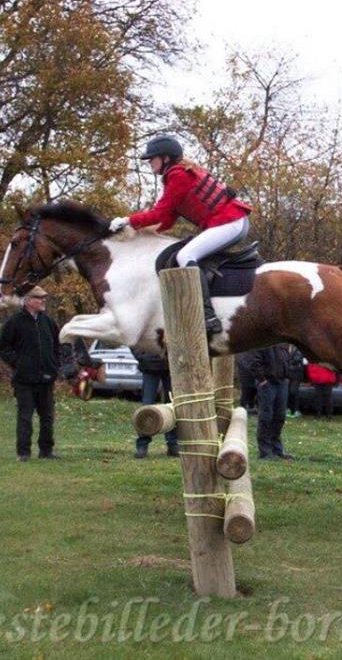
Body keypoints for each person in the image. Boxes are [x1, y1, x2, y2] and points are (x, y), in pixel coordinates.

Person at [109, 135, 253, 336]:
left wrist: (128, 220)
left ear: (166, 158)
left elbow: (159, 213)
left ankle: (208, 316)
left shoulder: (178, 176)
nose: (149, 162)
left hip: (230, 222)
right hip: (228, 222)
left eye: (152, 158)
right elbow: (167, 219)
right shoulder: (175, 177)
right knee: (187, 254)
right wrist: (141, 234)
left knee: (185, 256)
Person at [0, 285, 60, 461]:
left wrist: (55, 365)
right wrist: (18, 363)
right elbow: (2, 347)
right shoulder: (14, 322)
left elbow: (57, 346)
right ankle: (23, 452)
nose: (43, 301)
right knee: (25, 416)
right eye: (39, 298)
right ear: (28, 301)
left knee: (47, 416)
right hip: (24, 380)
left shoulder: (48, 322)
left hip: (46, 378)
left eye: (44, 298)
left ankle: (46, 451)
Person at [132, 348, 179, 458]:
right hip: (150, 365)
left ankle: (173, 444)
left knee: (172, 406)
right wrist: (141, 356)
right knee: (146, 408)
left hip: (170, 365)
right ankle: (142, 445)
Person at [249, 344, 293, 460]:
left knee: (280, 417)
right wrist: (262, 380)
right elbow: (254, 362)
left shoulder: (281, 343)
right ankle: (265, 452)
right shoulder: (263, 341)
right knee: (266, 417)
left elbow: (287, 359)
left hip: (281, 382)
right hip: (268, 383)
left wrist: (287, 376)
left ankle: (277, 449)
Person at [286, 345, 304, 418]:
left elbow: (297, 359)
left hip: (296, 374)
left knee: (293, 392)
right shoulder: (286, 348)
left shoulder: (297, 349)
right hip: (289, 373)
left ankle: (296, 410)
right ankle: (289, 409)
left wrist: (287, 362)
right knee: (288, 392)